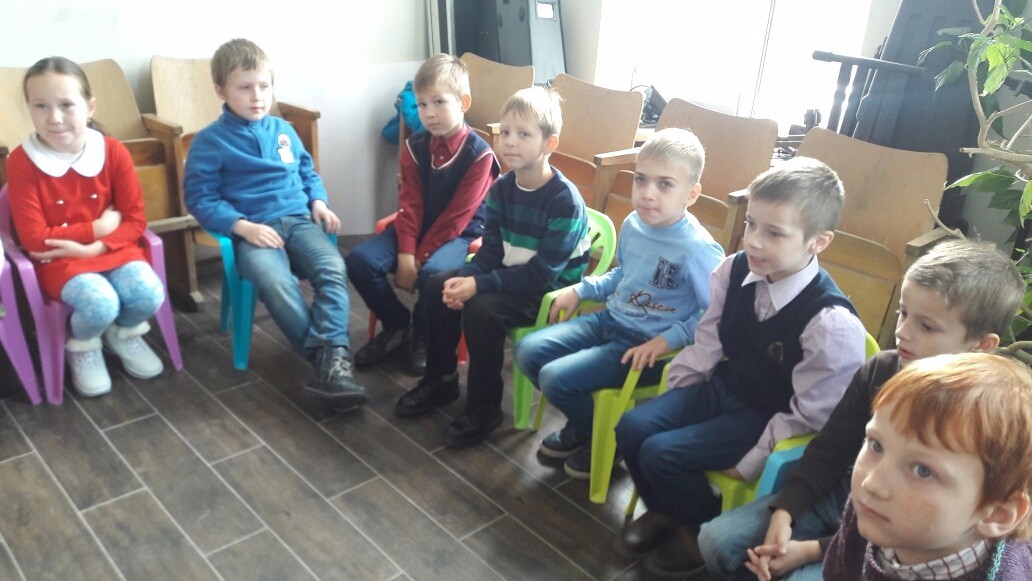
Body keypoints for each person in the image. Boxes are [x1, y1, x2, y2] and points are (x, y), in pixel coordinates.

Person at [698, 239, 1024, 581]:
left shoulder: (981, 417)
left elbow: (917, 534)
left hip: (897, 520)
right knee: (719, 542)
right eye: (903, 313)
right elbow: (829, 449)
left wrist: (810, 550)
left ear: (981, 345)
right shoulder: (881, 369)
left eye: (927, 326)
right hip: (840, 497)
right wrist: (785, 512)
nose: (902, 332)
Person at [613, 157, 867, 578]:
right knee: (633, 426)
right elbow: (708, 341)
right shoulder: (734, 269)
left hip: (765, 415)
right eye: (751, 224)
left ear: (818, 241)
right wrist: (677, 396)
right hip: (724, 388)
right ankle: (666, 510)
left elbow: (810, 415)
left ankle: (698, 527)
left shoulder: (830, 324)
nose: (754, 242)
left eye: (774, 233)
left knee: (662, 453)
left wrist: (753, 460)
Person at [512, 128, 724, 479]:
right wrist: (583, 290)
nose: (648, 193)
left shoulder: (699, 249)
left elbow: (716, 314)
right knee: (527, 351)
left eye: (665, 184)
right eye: (641, 179)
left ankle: (610, 440)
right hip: (610, 321)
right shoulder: (634, 223)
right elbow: (623, 274)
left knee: (555, 378)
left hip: (648, 348)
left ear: (691, 194)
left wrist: (668, 339)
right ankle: (588, 428)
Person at [393, 86, 590, 448]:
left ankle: (484, 408)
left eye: (524, 134)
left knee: (483, 308)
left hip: (549, 293)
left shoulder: (564, 201)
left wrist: (479, 286)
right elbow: (490, 252)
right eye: (506, 132)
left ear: (549, 143)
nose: (510, 142)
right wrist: (467, 278)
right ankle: (441, 379)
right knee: (437, 285)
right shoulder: (501, 188)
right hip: (511, 276)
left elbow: (542, 275)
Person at [184, 38, 366, 410]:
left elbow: (306, 171)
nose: (257, 96)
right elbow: (200, 199)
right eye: (245, 87)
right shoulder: (209, 142)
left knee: (333, 268)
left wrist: (318, 201)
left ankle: (329, 361)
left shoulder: (284, 130)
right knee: (275, 282)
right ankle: (329, 362)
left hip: (299, 222)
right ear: (220, 90)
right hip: (254, 231)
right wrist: (241, 227)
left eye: (264, 86)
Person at [6, 57, 167, 397]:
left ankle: (122, 333)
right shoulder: (22, 160)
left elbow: (135, 220)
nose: (54, 118)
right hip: (59, 261)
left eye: (66, 104)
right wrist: (95, 229)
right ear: (29, 108)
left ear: (89, 106)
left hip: (116, 250)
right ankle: (84, 343)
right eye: (41, 106)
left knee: (148, 293)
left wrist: (97, 245)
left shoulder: (113, 151)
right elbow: (34, 239)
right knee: (99, 303)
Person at [347, 53, 499, 376]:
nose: (428, 113)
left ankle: (423, 332)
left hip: (460, 236)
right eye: (421, 104)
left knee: (434, 275)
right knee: (359, 261)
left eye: (439, 102)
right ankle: (398, 325)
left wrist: (417, 258)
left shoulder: (480, 155)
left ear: (464, 102)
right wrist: (406, 253)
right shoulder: (415, 146)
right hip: (417, 227)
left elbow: (456, 218)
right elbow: (410, 203)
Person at [823, 352, 1032, 580]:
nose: (871, 483)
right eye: (877, 445)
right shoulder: (871, 510)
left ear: (997, 514)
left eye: (923, 471)